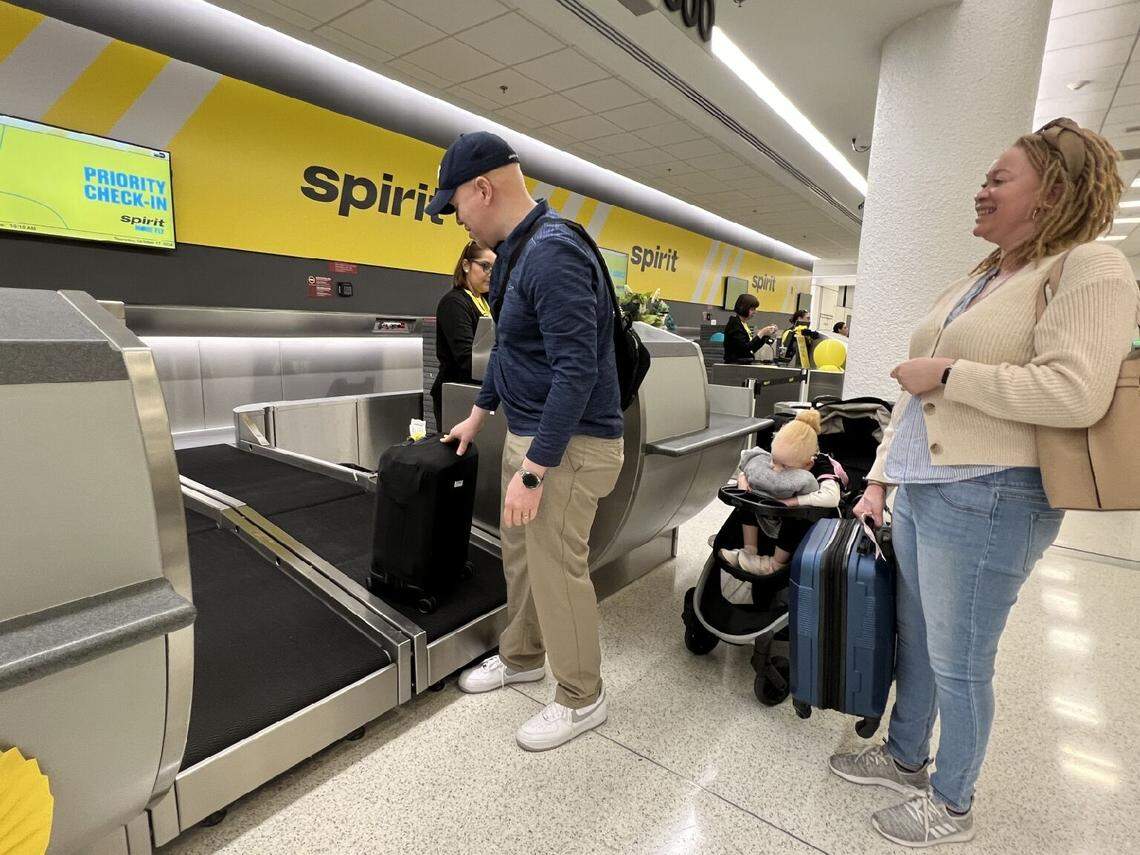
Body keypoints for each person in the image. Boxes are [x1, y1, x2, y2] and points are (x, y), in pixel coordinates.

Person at [830, 117, 1140, 848]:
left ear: (1053, 191)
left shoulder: (1091, 267)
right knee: (919, 640)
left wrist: (950, 374)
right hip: (927, 487)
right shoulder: (985, 276)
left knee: (961, 658)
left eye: (999, 179)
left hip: (997, 494)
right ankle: (906, 757)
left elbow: (1074, 393)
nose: (981, 190)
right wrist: (879, 479)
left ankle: (954, 800)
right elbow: (915, 398)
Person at [428, 131, 625, 752]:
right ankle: (522, 658)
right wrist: (479, 415)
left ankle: (580, 696)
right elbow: (517, 354)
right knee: (523, 558)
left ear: (483, 188)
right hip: (534, 434)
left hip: (569, 447)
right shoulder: (517, 251)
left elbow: (577, 369)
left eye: (455, 203)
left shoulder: (553, 254)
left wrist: (535, 470)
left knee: (557, 569)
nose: (455, 216)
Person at [718, 410, 842, 577]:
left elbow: (831, 497)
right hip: (772, 510)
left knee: (797, 516)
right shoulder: (783, 454)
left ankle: (775, 565)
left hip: (809, 519)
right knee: (748, 501)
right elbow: (756, 469)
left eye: (784, 467)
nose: (776, 469)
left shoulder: (823, 466)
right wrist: (744, 479)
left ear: (807, 464)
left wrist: (793, 502)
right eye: (773, 461)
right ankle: (749, 551)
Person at [430, 240, 495, 429]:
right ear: (466, 265)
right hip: (457, 393)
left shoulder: (487, 301)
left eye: (495, 269)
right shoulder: (454, 303)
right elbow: (466, 358)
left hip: (480, 391)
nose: (491, 274)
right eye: (485, 266)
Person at [723, 293, 779, 364]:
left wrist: (765, 335)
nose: (755, 312)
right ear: (743, 308)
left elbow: (752, 348)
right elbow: (745, 349)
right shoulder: (734, 324)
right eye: (752, 309)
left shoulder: (743, 324)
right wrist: (761, 333)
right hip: (735, 366)